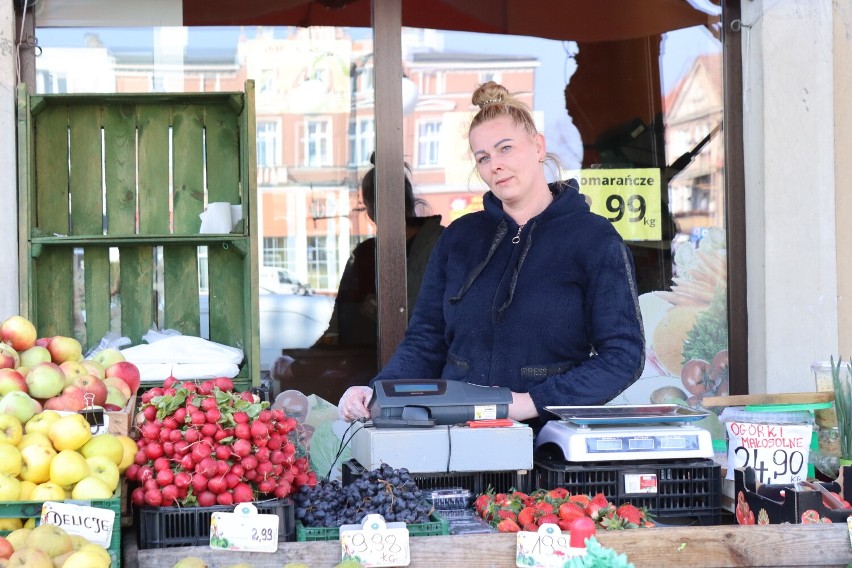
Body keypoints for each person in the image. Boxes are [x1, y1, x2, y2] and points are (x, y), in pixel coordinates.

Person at [338, 81, 645, 426]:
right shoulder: (459, 238)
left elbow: (623, 357)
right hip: (455, 434)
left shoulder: (593, 239)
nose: (494, 165)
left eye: (505, 149)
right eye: (483, 157)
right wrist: (378, 391)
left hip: (546, 441)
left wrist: (533, 402)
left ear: (538, 146)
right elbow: (426, 341)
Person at [316, 152, 444, 347]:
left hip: (377, 367)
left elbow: (338, 330)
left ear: (371, 207)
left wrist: (298, 366)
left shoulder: (366, 255)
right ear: (409, 199)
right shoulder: (445, 241)